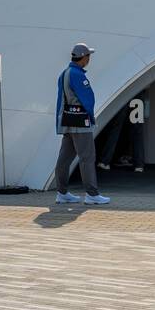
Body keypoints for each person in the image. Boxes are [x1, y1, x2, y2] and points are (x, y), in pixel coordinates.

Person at [53, 43, 111, 205]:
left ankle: (62, 192)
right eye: (89, 56)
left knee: (64, 159)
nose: (89, 59)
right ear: (84, 57)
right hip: (80, 122)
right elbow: (88, 99)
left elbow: (60, 100)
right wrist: (91, 118)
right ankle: (92, 194)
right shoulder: (78, 75)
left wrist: (59, 123)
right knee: (87, 157)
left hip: (67, 121)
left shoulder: (64, 73)